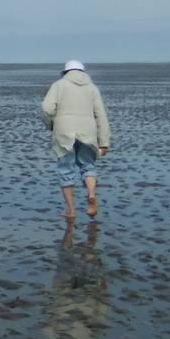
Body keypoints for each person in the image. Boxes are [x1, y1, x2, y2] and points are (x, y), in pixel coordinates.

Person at [41, 60, 112, 220]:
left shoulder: (59, 85)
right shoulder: (92, 88)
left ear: (65, 72)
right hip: (88, 131)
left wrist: (51, 124)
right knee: (88, 166)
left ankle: (70, 210)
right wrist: (104, 141)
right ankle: (92, 195)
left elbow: (46, 108)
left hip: (64, 131)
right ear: (83, 72)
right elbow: (101, 116)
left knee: (65, 169)